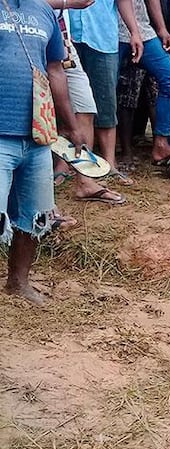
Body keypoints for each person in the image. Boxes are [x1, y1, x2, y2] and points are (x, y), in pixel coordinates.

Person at [2, 0, 87, 304]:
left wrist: (73, 124)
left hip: (38, 135)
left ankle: (18, 282)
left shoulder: (44, 11)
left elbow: (55, 70)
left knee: (36, 217)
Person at [69, 0, 144, 185]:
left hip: (101, 36)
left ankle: (109, 163)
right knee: (68, 103)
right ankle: (68, 165)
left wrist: (134, 31)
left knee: (106, 102)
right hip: (66, 36)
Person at [117, 0, 170, 165]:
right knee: (111, 89)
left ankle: (161, 144)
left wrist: (161, 28)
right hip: (108, 30)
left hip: (142, 30)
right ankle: (117, 151)